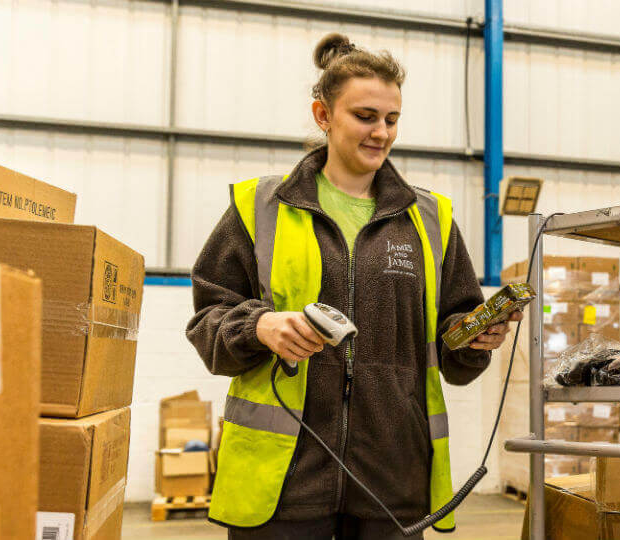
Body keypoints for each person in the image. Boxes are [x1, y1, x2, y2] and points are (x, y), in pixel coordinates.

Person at [186, 33, 522, 540]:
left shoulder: (431, 219)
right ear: (323, 115)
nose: (381, 133)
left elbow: (455, 349)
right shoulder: (259, 207)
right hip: (283, 484)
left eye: (392, 120)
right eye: (365, 116)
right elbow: (208, 319)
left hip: (391, 480)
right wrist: (261, 326)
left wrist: (473, 337)